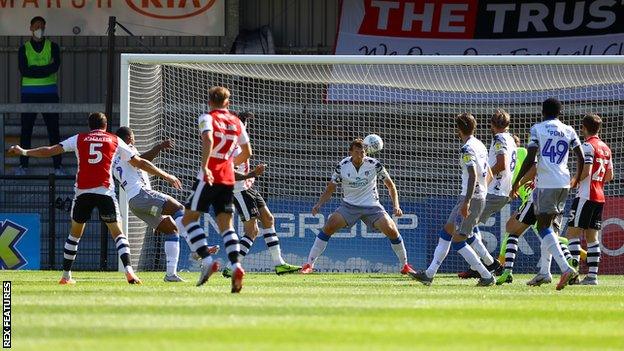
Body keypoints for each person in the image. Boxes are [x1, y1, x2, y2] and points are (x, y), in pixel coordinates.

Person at [8, 112, 182, 285]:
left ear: (89, 125)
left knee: (74, 234)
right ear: (105, 126)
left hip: (83, 192)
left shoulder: (79, 138)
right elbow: (140, 163)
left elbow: (51, 150)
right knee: (118, 233)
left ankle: (66, 275)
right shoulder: (114, 140)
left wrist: (24, 151)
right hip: (104, 191)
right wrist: (166, 176)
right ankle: (129, 271)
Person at [113, 127, 218, 283]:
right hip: (142, 194)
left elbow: (137, 163)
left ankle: (170, 274)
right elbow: (141, 161)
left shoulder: (114, 158)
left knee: (171, 229)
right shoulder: (126, 148)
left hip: (134, 202)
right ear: (128, 138)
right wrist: (161, 155)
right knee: (178, 208)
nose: (134, 140)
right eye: (133, 137)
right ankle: (195, 249)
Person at [300, 138, 416, 275]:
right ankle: (309, 264)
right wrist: (319, 204)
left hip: (371, 205)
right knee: (329, 226)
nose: (360, 155)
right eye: (357, 152)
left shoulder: (374, 165)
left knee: (391, 229)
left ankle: (405, 266)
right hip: (349, 205)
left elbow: (390, 185)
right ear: (350, 152)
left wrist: (396, 206)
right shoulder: (342, 165)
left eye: (362, 152)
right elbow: (331, 187)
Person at [179, 86, 251, 293]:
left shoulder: (207, 117)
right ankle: (236, 265)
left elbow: (208, 139)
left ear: (209, 101)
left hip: (209, 175)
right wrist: (229, 163)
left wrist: (206, 165)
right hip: (228, 179)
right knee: (227, 226)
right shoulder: (236, 121)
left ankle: (208, 260)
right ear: (227, 102)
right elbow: (247, 152)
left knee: (188, 219)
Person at [410, 113, 495, 286]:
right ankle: (429, 274)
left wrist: (468, 201)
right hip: (475, 196)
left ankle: (486, 275)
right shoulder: (480, 145)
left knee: (458, 241)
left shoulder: (467, 149)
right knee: (447, 231)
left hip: (470, 198)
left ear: (458, 129)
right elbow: (489, 175)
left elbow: (472, 176)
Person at [511, 98, 584, 291]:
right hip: (564, 182)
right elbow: (580, 156)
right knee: (548, 227)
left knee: (543, 227)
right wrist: (576, 177)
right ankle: (545, 272)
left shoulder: (538, 129)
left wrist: (517, 181)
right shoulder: (569, 130)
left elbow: (530, 156)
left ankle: (566, 268)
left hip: (546, 184)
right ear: (560, 113)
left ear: (543, 111)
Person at [222, 111, 301, 277]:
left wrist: (243, 118)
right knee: (251, 231)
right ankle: (231, 267)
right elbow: (228, 172)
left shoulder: (236, 142)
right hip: (239, 191)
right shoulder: (227, 148)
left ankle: (279, 264)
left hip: (248, 188)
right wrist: (253, 173)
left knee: (268, 219)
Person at [457, 109, 515, 279]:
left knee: (465, 228)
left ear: (491, 125)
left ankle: (489, 266)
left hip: (493, 190)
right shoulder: (511, 139)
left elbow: (502, 164)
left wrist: (485, 180)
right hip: (503, 190)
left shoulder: (498, 139)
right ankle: (486, 264)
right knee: (472, 226)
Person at [565, 114, 613, 285]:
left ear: (583, 128)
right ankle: (592, 277)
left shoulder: (587, 146)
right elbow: (609, 176)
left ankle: (574, 275)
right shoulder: (606, 148)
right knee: (592, 237)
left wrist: (573, 181)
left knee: (572, 233)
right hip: (599, 196)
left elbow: (586, 170)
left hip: (586, 195)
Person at [16, 16, 64, 175]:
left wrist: (34, 70)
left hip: (49, 94)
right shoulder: (24, 48)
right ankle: (23, 166)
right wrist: (44, 70)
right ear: (30, 28)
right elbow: (24, 70)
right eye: (37, 27)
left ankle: (58, 167)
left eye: (42, 27)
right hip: (29, 94)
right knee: (26, 130)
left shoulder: (53, 46)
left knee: (53, 130)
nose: (39, 30)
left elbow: (55, 67)